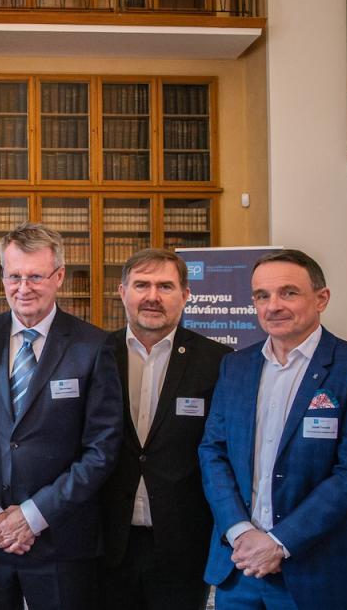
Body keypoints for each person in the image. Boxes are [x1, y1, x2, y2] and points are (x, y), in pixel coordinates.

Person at [0, 222, 122, 610]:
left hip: (61, 539)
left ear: (59, 276)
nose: (23, 288)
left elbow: (102, 450)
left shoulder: (93, 346)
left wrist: (32, 515)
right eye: (14, 276)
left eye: (35, 277)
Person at [199, 249, 347, 608]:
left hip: (316, 572)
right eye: (262, 295)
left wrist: (279, 542)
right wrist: (240, 531)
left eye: (288, 292)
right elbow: (213, 451)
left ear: (321, 298)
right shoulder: (235, 367)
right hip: (239, 568)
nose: (273, 306)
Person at [97, 248, 231, 610]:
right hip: (105, 541)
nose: (152, 296)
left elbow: (223, 451)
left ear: (185, 295)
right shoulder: (95, 353)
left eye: (165, 286)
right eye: (142, 285)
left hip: (183, 545)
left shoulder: (219, 362)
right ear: (122, 292)